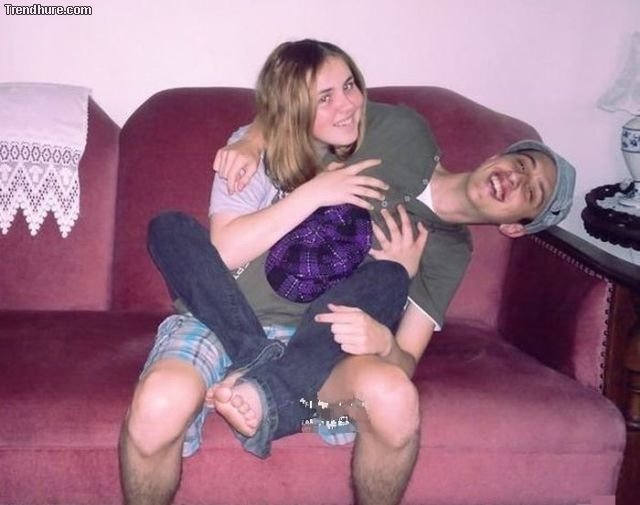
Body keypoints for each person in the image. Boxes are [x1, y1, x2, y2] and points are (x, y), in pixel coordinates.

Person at [119, 39, 577, 505]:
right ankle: (264, 376)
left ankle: (275, 391)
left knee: (394, 397)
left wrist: (383, 340)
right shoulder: (405, 132)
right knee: (159, 403)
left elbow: (405, 360)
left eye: (531, 192)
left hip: (318, 359)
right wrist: (253, 139)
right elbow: (305, 104)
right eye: (522, 165)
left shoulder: (450, 253)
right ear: (499, 156)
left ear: (515, 227)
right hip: (218, 316)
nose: (516, 179)